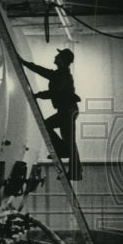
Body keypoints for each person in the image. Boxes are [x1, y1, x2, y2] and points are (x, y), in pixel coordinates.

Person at [19, 48, 82, 181]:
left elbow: (56, 92)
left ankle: (66, 155)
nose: (55, 56)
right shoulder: (59, 74)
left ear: (62, 60)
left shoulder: (63, 75)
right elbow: (43, 71)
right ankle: (73, 166)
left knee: (50, 127)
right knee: (67, 140)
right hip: (67, 110)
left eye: (58, 55)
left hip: (68, 111)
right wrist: (26, 64)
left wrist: (38, 95)